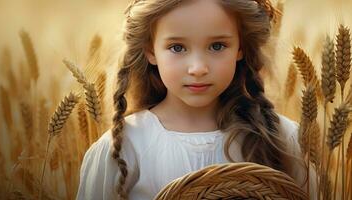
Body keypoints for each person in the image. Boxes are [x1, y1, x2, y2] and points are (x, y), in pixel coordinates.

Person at [76, 0, 315, 199]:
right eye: (177, 48)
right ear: (151, 51)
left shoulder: (283, 139)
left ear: (240, 47)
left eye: (217, 46)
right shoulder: (124, 148)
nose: (198, 68)